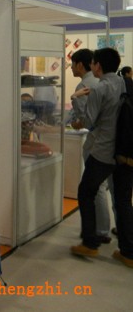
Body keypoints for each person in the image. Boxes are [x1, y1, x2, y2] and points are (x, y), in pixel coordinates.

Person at [70, 48, 125, 258]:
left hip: (102, 148)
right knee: (119, 196)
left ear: (98, 65)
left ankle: (90, 241)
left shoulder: (98, 88)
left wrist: (75, 98)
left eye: (93, 63)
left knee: (87, 192)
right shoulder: (121, 83)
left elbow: (88, 121)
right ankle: (124, 243)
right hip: (120, 149)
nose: (91, 66)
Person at [70, 48, 112, 244]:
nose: (71, 68)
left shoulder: (84, 85)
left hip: (96, 143)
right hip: (108, 142)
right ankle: (102, 229)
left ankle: (100, 231)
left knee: (95, 188)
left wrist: (74, 98)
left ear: (80, 65)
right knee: (105, 188)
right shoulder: (104, 83)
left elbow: (86, 119)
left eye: (72, 64)